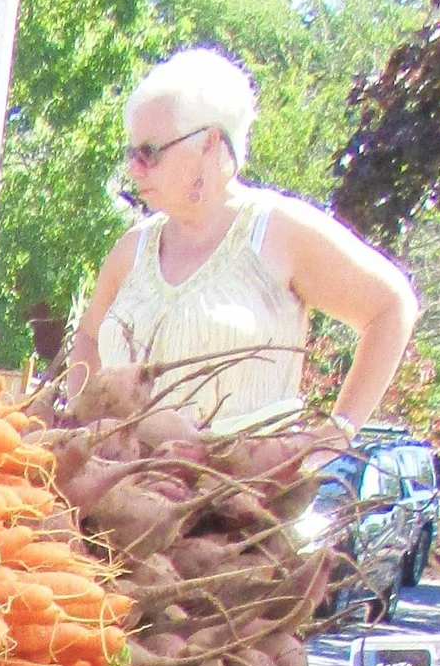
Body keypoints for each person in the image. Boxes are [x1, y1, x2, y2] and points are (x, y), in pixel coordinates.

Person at [70, 49, 417, 434]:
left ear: (209, 143)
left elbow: (391, 306)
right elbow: (88, 336)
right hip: (120, 487)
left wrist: (336, 433)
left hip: (242, 489)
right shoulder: (132, 250)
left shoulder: (278, 232)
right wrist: (80, 423)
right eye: (130, 153)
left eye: (149, 153)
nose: (133, 169)